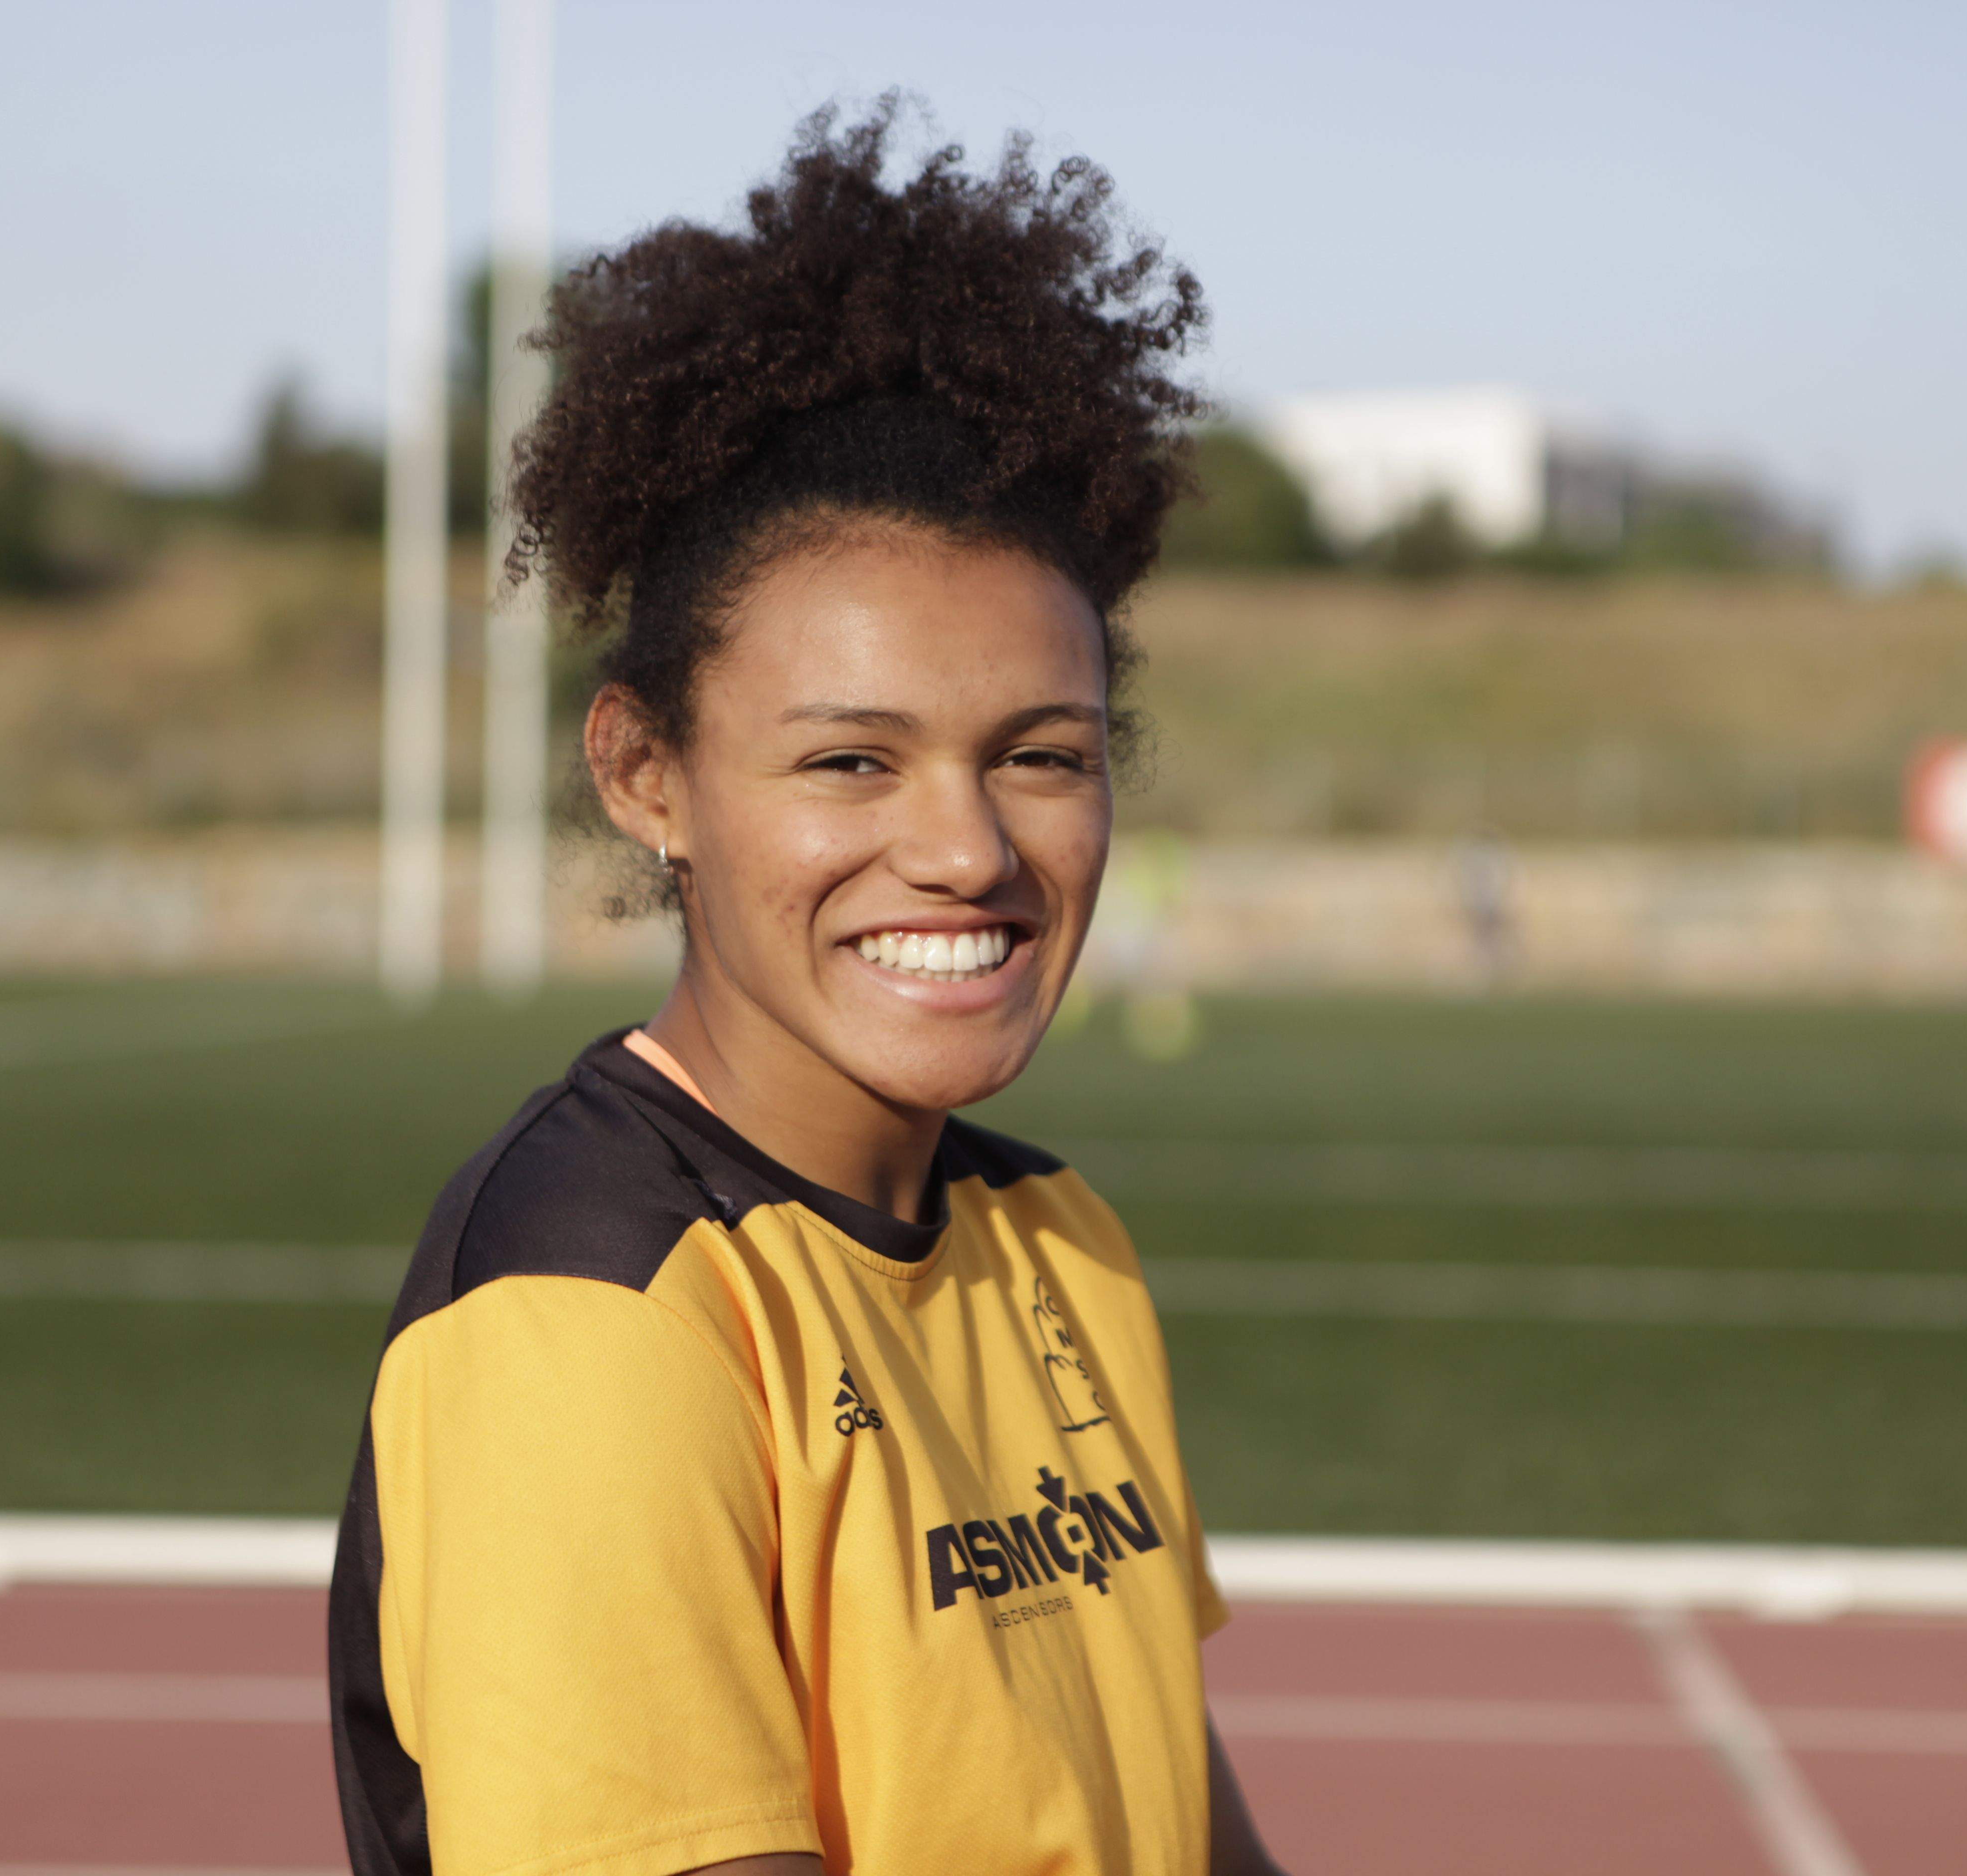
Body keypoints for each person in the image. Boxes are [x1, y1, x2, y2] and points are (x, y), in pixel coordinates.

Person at [327, 102, 1285, 1876]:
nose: (968, 852)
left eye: (1041, 756)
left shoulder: (1058, 1241)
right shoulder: (592, 1313)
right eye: (850, 762)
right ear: (648, 776)